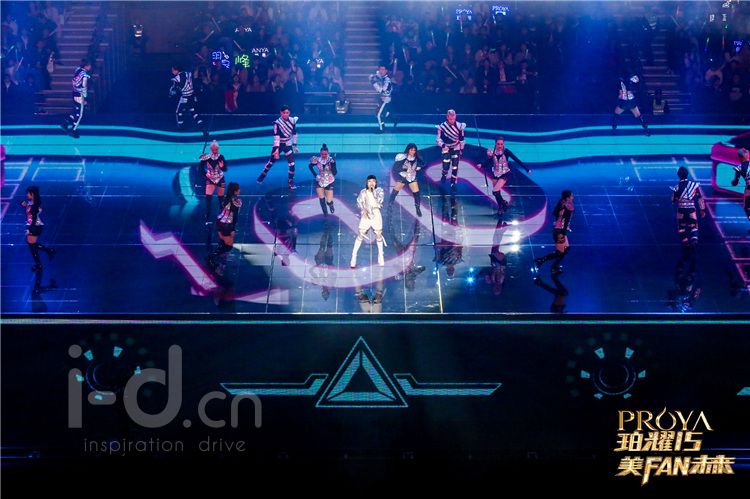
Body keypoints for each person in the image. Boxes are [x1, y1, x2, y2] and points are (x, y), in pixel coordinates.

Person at [483, 137, 531, 216]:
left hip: (504, 174)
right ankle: (503, 203)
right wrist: (482, 165)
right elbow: (488, 161)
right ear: (495, 143)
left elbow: (516, 159)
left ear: (503, 144)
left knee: (495, 191)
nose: (500, 146)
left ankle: (501, 208)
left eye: (501, 144)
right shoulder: (492, 152)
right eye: (498, 144)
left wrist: (526, 169)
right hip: (495, 174)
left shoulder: (506, 151)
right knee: (497, 193)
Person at [257, 105, 299, 190]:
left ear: (289, 113)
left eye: (287, 113)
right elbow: (276, 136)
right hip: (279, 144)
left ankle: (290, 182)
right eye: (284, 113)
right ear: (281, 113)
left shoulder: (292, 120)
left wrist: (295, 145)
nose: (285, 114)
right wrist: (276, 149)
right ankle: (262, 176)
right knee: (271, 162)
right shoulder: (277, 123)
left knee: (292, 164)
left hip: (287, 144)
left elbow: (294, 133)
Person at [535, 190, 574, 275]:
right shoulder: (567, 205)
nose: (573, 197)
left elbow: (556, 214)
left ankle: (548, 263)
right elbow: (564, 218)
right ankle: (547, 263)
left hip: (560, 230)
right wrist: (562, 230)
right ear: (567, 198)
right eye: (571, 196)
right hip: (559, 231)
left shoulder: (562, 202)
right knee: (560, 252)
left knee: (565, 249)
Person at [351, 175, 386, 268]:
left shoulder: (379, 191)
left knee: (378, 234)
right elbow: (359, 202)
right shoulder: (363, 192)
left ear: (376, 182)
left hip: (376, 213)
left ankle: (380, 256)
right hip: (366, 214)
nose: (371, 183)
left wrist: (371, 193)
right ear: (367, 183)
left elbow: (379, 202)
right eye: (369, 181)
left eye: (373, 181)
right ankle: (354, 256)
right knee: (361, 234)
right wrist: (363, 210)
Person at [22, 186, 55, 271]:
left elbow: (33, 219)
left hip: (35, 226)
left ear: (32, 194)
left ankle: (39, 264)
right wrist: (25, 206)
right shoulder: (33, 202)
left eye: (28, 193)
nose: (27, 195)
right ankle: (48, 252)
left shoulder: (34, 206)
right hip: (35, 226)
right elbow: (31, 212)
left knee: (32, 246)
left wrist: (30, 229)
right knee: (32, 245)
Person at [208, 182, 241, 265]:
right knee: (228, 246)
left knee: (223, 241)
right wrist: (232, 229)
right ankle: (211, 258)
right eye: (238, 189)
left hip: (220, 221)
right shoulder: (236, 202)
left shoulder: (225, 199)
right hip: (227, 225)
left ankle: (219, 257)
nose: (239, 190)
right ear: (235, 191)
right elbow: (235, 217)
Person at [671, 166, 706, 247]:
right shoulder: (694, 185)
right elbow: (700, 198)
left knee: (681, 227)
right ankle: (694, 238)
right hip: (691, 209)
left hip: (681, 209)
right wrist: (702, 209)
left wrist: (678, 198)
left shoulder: (676, 187)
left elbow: (673, 200)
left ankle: (686, 243)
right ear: (687, 174)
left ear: (678, 175)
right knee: (693, 226)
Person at [170, 63, 206, 135]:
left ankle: (180, 127)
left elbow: (174, 89)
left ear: (176, 70)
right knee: (193, 112)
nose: (172, 71)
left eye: (173, 70)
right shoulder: (188, 73)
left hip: (185, 97)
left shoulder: (177, 78)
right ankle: (201, 125)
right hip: (192, 96)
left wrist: (172, 91)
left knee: (178, 112)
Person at [389, 143, 424, 217]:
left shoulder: (417, 157)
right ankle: (390, 206)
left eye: (414, 150)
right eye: (411, 150)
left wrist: (419, 167)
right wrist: (404, 171)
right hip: (403, 177)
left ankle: (418, 209)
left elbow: (423, 163)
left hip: (412, 177)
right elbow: (395, 168)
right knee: (395, 192)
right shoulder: (402, 157)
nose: (413, 152)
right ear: (408, 150)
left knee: (416, 194)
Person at [60, 59, 91, 138]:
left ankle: (65, 123)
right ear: (86, 66)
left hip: (74, 92)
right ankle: (73, 130)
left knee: (75, 110)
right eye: (89, 65)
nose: (90, 67)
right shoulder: (85, 75)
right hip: (80, 94)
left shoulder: (77, 70)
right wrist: (85, 96)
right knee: (80, 114)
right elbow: (84, 86)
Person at [436, 109, 466, 188]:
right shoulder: (442, 127)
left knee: (455, 166)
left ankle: (453, 182)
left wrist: (462, 149)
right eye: (450, 118)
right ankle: (444, 174)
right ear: (447, 117)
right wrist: (443, 145)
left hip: (456, 147)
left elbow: (462, 139)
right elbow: (438, 139)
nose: (452, 120)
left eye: (453, 118)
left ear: (455, 116)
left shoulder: (460, 126)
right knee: (446, 165)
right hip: (446, 148)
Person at [199, 140, 227, 223]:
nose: (215, 151)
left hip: (220, 178)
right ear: (211, 149)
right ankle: (208, 213)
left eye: (216, 149)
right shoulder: (206, 157)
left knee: (221, 198)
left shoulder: (221, 157)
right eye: (213, 149)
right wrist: (205, 174)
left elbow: (225, 169)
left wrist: (222, 167)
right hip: (210, 178)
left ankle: (223, 214)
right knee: (208, 197)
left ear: (218, 148)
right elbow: (200, 168)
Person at [309, 143, 337, 216]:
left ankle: (330, 205)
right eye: (322, 154)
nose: (324, 155)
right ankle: (325, 214)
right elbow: (310, 166)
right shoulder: (317, 160)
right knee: (321, 200)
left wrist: (333, 164)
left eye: (325, 154)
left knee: (329, 201)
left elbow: (335, 172)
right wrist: (316, 175)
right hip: (320, 181)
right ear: (320, 153)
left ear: (328, 153)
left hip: (329, 181)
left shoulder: (331, 160)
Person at [369, 65, 395, 132]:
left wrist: (374, 83)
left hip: (386, 99)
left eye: (383, 69)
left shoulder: (387, 80)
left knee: (379, 114)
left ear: (386, 71)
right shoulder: (379, 77)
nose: (381, 71)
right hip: (381, 98)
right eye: (380, 69)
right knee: (382, 113)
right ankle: (393, 118)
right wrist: (373, 79)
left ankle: (381, 129)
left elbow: (382, 90)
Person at [731, 148, 750, 230]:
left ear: (739, 157)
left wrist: (734, 182)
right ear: (748, 155)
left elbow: (735, 182)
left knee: (747, 207)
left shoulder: (740, 167)